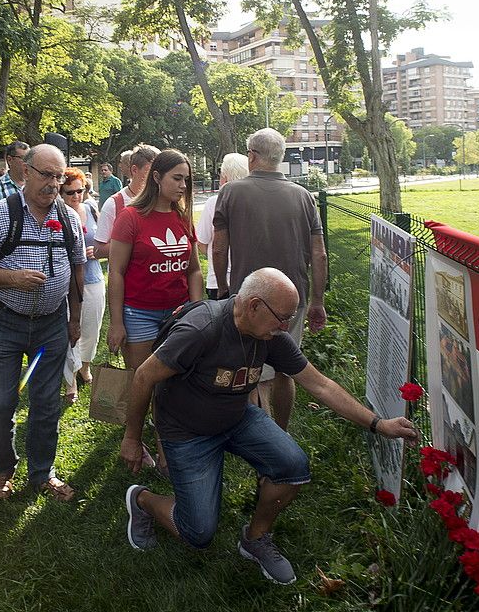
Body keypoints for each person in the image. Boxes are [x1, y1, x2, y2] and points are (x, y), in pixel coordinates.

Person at [121, 268, 418, 584]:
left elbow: (320, 386)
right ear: (253, 306)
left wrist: (378, 424)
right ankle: (142, 500)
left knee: (293, 465)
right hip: (187, 433)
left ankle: (255, 537)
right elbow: (143, 377)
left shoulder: (271, 335)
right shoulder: (202, 329)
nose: (286, 327)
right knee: (197, 534)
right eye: (282, 317)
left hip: (237, 419)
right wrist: (132, 438)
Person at [0, 144, 85, 503]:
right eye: (46, 174)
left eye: (59, 176)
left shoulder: (67, 217)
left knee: (47, 403)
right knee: (1, 402)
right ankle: (3, 467)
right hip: (6, 322)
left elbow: (78, 266)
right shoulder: (1, 215)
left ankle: (42, 472)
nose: (53, 183)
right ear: (26, 171)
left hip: (51, 324)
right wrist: (13, 278)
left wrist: (74, 318)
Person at [211, 128, 327, 430]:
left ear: (252, 156)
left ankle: (255, 434)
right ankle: (282, 431)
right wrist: (317, 300)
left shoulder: (230, 192)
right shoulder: (303, 196)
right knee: (285, 371)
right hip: (292, 299)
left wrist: (224, 289)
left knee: (247, 371)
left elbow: (219, 247)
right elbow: (319, 255)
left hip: (247, 299)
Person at [107, 149, 203, 473]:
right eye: (177, 179)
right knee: (142, 382)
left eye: (186, 181)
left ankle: (166, 446)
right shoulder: (130, 217)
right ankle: (133, 439)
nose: (182, 186)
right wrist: (116, 323)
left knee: (172, 384)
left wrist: (196, 310)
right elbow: (116, 272)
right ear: (157, 177)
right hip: (139, 315)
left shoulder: (182, 217)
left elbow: (193, 270)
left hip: (177, 315)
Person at [57, 168, 105, 401]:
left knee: (92, 328)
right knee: (70, 329)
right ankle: (70, 379)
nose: (76, 196)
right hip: (67, 281)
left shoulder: (91, 208)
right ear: (61, 192)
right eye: (70, 192)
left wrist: (97, 252)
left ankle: (85, 366)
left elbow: (106, 243)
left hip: (93, 277)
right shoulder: (57, 214)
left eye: (81, 190)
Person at [195, 153, 250, 300]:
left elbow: (201, 242)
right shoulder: (254, 202)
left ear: (224, 177)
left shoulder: (214, 202)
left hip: (219, 281)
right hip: (250, 281)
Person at [94, 144, 159, 259]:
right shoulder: (115, 204)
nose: (156, 177)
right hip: (126, 275)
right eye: (150, 171)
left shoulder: (163, 201)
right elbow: (98, 250)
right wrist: (138, 245)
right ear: (134, 170)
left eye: (159, 172)